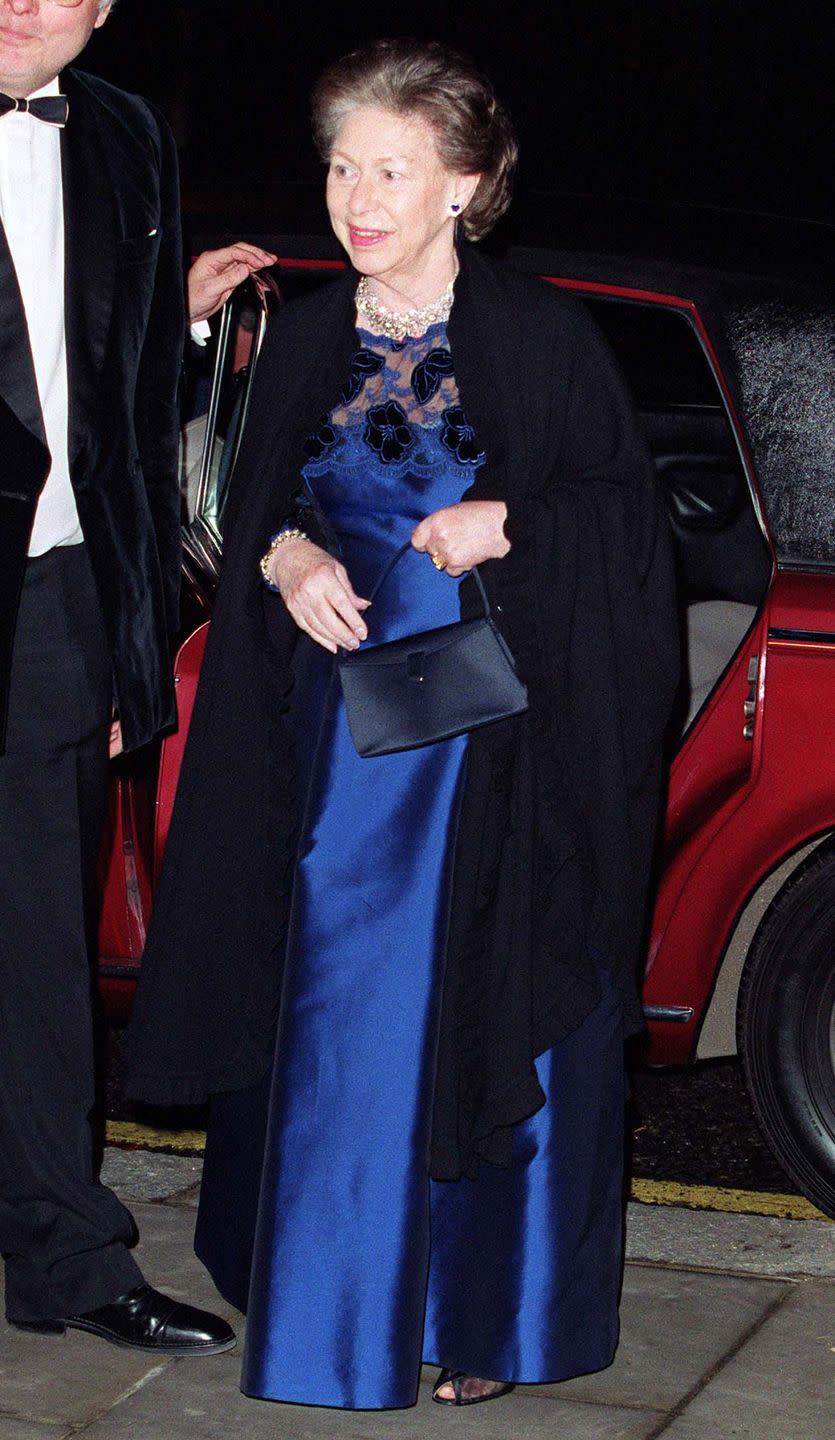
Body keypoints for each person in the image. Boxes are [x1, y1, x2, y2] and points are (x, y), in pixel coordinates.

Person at [128, 38, 680, 1409]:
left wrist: (516, 523)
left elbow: (629, 538)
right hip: (327, 749)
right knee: (335, 1012)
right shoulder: (308, 333)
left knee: (478, 1008)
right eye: (340, 166)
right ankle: (333, 1302)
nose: (356, 196)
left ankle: (477, 1312)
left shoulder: (541, 339)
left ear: (465, 187)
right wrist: (286, 562)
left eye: (391, 169)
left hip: (492, 759)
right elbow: (249, 517)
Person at [0, 0, 272, 1356]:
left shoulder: (119, 136)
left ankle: (65, 1258)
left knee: (37, 955)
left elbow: (98, 397)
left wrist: (163, 326)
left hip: (51, 601)